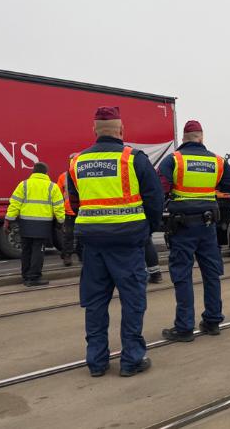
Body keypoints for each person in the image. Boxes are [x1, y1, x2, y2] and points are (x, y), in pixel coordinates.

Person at [68, 106, 163, 377]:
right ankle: (131, 359)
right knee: (133, 300)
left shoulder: (77, 162)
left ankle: (96, 362)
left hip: (93, 243)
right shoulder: (134, 159)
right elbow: (154, 200)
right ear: (122, 130)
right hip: (128, 241)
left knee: (95, 302)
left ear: (93, 130)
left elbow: (74, 202)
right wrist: (146, 231)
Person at [158, 120, 230, 343]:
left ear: (184, 138)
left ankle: (184, 327)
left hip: (182, 226)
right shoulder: (216, 160)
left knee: (183, 275)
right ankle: (213, 322)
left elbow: (160, 187)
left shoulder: (174, 159)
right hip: (207, 226)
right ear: (201, 137)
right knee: (211, 274)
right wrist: (213, 185)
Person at [5, 162, 66, 286]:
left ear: (33, 172)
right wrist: (61, 222)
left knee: (26, 250)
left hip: (25, 224)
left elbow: (14, 204)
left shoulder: (24, 185)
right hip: (43, 225)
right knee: (38, 250)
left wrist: (8, 220)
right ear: (46, 173)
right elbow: (59, 207)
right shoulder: (52, 187)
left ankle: (26, 275)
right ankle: (34, 277)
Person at [57, 153, 81, 266]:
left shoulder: (84, 174)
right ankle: (67, 255)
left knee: (81, 234)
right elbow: (58, 194)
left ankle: (80, 255)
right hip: (69, 210)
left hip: (82, 210)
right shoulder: (64, 176)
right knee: (69, 235)